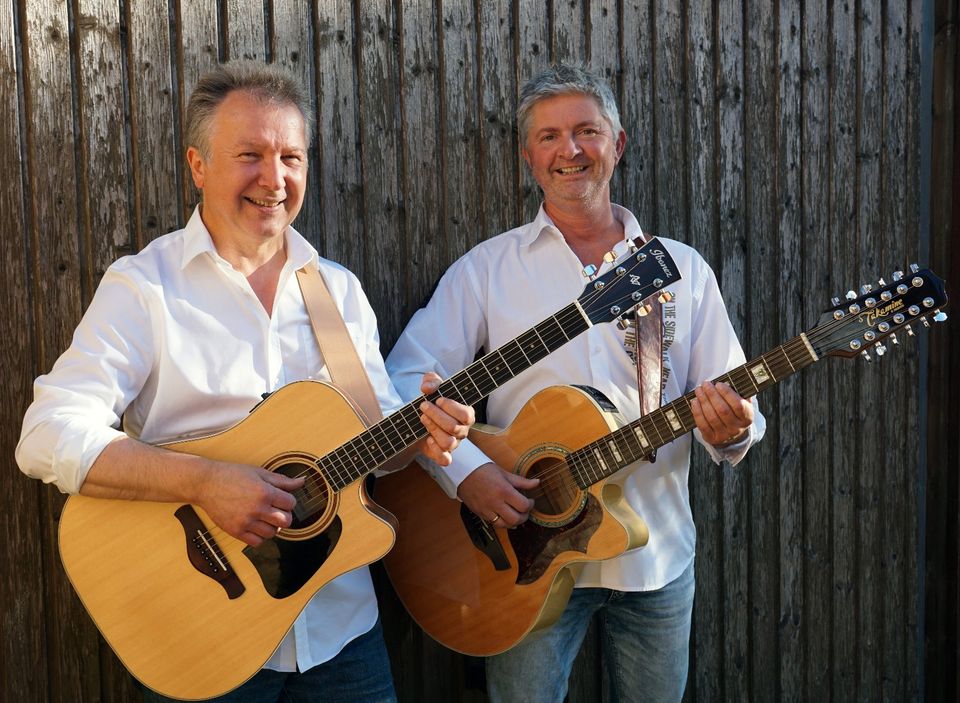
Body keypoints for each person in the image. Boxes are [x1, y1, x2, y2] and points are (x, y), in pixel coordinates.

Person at [16, 61, 474, 703]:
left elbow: (380, 440)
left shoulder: (335, 290)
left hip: (342, 636)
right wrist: (206, 482)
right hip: (203, 635)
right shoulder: (145, 287)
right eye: (250, 155)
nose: (275, 178)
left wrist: (423, 431)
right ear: (199, 166)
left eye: (291, 156)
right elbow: (45, 436)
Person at [385, 63, 766, 702]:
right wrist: (467, 472)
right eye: (550, 136)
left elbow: (731, 404)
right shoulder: (488, 270)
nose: (570, 150)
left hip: (657, 558)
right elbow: (401, 382)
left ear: (618, 144)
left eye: (587, 132)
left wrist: (732, 430)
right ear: (528, 155)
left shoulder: (679, 270)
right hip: (517, 559)